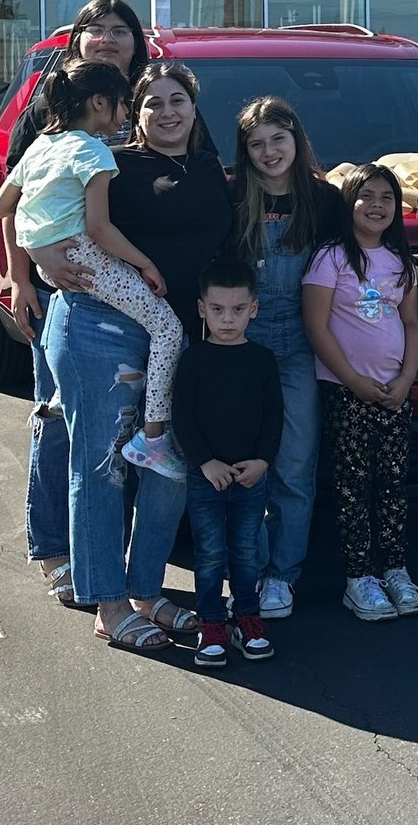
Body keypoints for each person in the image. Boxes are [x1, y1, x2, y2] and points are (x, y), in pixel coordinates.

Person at [36, 61, 234, 649]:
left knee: (170, 465)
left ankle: (147, 590)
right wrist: (34, 267)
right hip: (103, 327)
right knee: (102, 466)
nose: (167, 112)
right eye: (153, 103)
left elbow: (303, 192)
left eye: (179, 100)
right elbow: (29, 208)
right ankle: (108, 601)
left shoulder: (211, 171)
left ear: (195, 108)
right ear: (132, 113)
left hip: (184, 338)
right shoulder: (105, 162)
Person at [232, 97, 418, 620]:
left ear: (296, 140)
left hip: (304, 349)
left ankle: (283, 575)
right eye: (256, 143)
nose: (269, 151)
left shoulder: (324, 198)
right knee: (244, 462)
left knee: (296, 466)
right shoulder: (232, 197)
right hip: (243, 343)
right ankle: (247, 570)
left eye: (278, 139)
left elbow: (372, 245)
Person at [5, 0, 150, 607]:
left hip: (114, 288)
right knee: (59, 416)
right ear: (79, 39)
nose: (110, 39)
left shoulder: (145, 102)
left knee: (114, 433)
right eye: (99, 29)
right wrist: (20, 274)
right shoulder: (51, 109)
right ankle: (53, 548)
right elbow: (13, 199)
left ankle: (103, 548)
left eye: (122, 31)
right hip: (61, 288)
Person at [0, 59, 186, 481]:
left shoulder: (40, 146)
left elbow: (1, 206)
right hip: (87, 259)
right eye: (123, 105)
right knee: (169, 329)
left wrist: (39, 243)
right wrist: (144, 263)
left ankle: (65, 393)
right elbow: (100, 228)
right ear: (100, 102)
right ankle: (153, 437)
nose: (126, 115)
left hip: (54, 263)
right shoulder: (93, 151)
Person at [303, 163, 418, 621]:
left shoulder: (400, 261)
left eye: (387, 198)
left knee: (392, 483)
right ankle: (360, 578)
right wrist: (354, 382)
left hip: (394, 393)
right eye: (367, 196)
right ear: (349, 203)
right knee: (353, 485)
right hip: (346, 391)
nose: (377, 206)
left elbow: (414, 325)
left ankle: (394, 568)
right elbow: (316, 327)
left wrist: (405, 380)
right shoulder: (331, 257)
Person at [173, 257, 283, 667]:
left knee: (246, 550)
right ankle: (212, 622)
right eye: (217, 310)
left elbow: (274, 417)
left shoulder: (262, 360)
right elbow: (182, 417)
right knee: (210, 553)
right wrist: (205, 463)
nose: (227, 319)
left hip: (251, 477)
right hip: (207, 478)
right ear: (202, 309)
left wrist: (263, 462)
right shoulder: (194, 360)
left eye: (238, 310)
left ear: (253, 308)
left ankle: (247, 618)